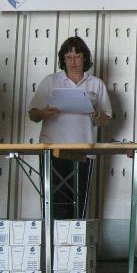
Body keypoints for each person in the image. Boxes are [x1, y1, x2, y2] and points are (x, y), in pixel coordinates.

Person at [28, 36, 112, 219]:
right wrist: (43, 113)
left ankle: (74, 237)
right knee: (54, 204)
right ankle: (52, 238)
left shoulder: (96, 84)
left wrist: (98, 118)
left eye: (77, 56)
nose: (73, 62)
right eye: (68, 57)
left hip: (83, 150)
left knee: (78, 206)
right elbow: (32, 114)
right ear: (63, 60)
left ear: (85, 58)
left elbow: (106, 118)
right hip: (52, 150)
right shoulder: (50, 81)